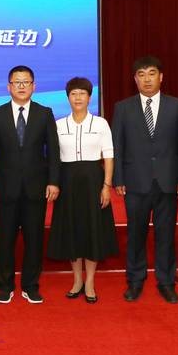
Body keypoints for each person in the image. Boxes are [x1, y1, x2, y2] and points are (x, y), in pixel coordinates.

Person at [112, 56, 178, 304]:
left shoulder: (177, 106)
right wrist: (118, 178)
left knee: (165, 235)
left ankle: (166, 282)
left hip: (168, 182)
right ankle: (135, 281)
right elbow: (117, 146)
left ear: (161, 77)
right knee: (136, 234)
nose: (147, 79)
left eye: (151, 73)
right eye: (141, 74)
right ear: (135, 79)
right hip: (135, 182)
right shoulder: (123, 108)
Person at [0, 65, 60, 305]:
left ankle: (30, 285)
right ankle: (5, 286)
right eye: (17, 82)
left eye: (26, 82)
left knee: (34, 239)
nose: (21, 86)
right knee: (5, 239)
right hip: (6, 187)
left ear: (33, 86)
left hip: (37, 187)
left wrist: (53, 181)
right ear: (9, 87)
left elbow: (53, 151)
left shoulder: (44, 113)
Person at [47, 77, 118, 304]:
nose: (78, 98)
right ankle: (77, 280)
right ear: (67, 97)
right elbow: (53, 158)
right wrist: (53, 182)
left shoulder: (100, 124)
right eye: (73, 94)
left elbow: (109, 156)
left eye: (82, 93)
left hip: (93, 181)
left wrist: (106, 186)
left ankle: (90, 282)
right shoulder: (58, 125)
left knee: (92, 230)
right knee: (72, 230)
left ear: (89, 97)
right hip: (67, 182)